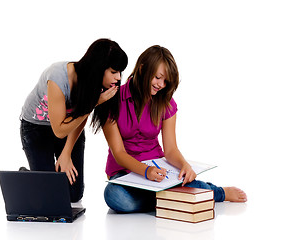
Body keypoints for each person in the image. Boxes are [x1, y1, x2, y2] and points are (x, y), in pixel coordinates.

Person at [103, 45, 247, 213]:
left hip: (158, 170)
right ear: (142, 69)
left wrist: (184, 165)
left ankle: (218, 192)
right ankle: (175, 197)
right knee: (115, 196)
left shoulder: (166, 103)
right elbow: (119, 154)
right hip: (125, 172)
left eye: (166, 81)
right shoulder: (112, 99)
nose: (161, 85)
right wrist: (145, 171)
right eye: (157, 77)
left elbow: (170, 149)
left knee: (183, 180)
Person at [20, 39, 128, 202]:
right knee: (49, 196)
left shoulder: (97, 84)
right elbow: (59, 130)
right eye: (114, 72)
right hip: (37, 128)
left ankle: (45, 176)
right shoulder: (58, 77)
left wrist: (66, 153)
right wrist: (94, 103)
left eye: (120, 72)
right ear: (99, 68)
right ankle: (31, 177)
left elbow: (79, 120)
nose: (118, 77)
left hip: (70, 126)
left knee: (73, 195)